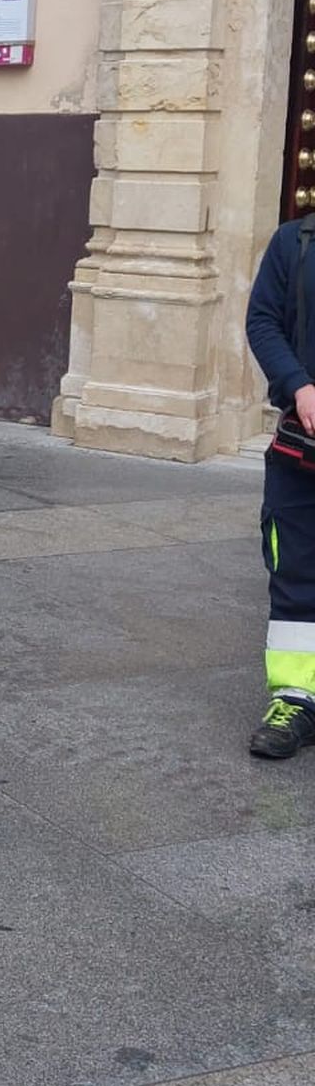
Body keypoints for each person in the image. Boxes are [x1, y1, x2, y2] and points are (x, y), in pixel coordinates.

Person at [246, 211, 315, 756]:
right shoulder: (294, 241)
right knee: (295, 568)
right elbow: (263, 320)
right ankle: (294, 698)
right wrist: (298, 385)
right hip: (303, 451)